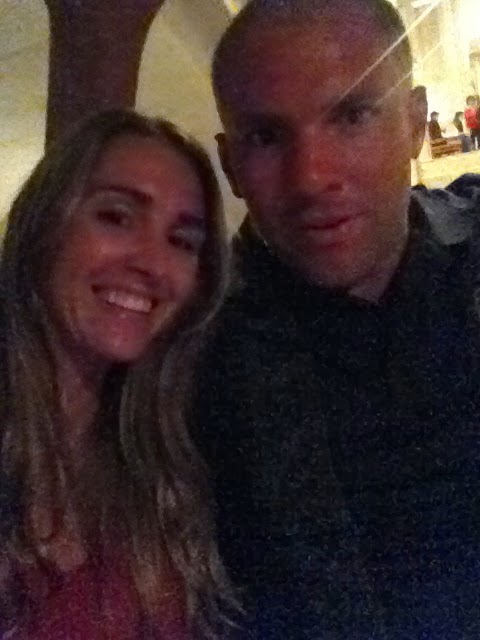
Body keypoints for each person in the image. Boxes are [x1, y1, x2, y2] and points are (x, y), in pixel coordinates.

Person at [195, 1, 480, 638]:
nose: (311, 177)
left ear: (415, 122)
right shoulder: (187, 351)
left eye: (351, 116)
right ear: (231, 165)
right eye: (266, 137)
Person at [0, 109, 238, 639]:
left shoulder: (164, 462)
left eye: (182, 241)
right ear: (44, 225)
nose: (152, 264)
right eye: (115, 216)